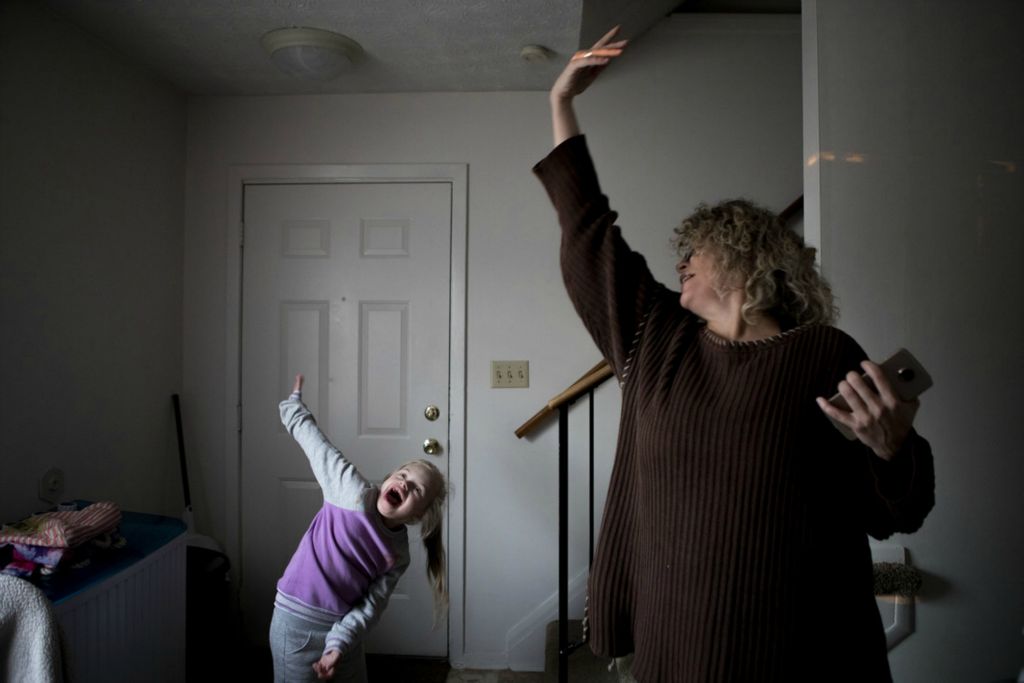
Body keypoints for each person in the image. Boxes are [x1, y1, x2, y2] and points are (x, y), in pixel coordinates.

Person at [533, 27, 935, 682]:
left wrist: (893, 452)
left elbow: (893, 514)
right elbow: (587, 230)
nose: (681, 260)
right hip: (675, 645)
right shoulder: (655, 336)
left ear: (749, 259)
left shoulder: (822, 353)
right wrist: (560, 102)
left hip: (807, 652)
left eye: (700, 245)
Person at [270, 373, 448, 682]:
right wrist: (293, 404)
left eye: (416, 490)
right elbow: (315, 443)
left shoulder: (398, 554)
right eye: (403, 475)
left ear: (419, 515)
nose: (404, 484)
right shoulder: (350, 491)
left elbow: (370, 607)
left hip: (343, 632)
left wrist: (338, 645)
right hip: (296, 624)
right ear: (390, 476)